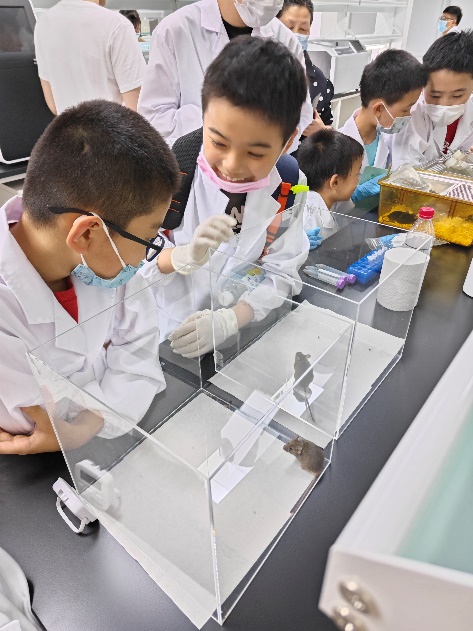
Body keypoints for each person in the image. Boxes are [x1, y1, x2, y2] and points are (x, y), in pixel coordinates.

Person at [0, 100, 183, 455]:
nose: (144, 256)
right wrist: (109, 390)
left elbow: (141, 345)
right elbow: (38, 421)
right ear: (86, 233)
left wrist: (91, 422)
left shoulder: (101, 257)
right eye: (147, 239)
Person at [142, 37, 310, 358]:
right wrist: (180, 257)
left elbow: (282, 271)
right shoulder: (170, 169)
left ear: (288, 142)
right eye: (218, 143)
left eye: (255, 153)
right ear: (204, 117)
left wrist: (230, 320)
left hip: (238, 341)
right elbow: (133, 259)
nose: (232, 165)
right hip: (165, 334)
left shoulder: (288, 184)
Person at [137, 0, 313, 150]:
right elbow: (154, 120)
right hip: (192, 169)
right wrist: (225, 126)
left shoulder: (286, 40)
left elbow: (299, 117)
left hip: (263, 171)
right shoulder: (175, 30)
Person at [338, 49, 427, 202]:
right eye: (405, 110)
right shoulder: (336, 148)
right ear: (379, 109)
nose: (409, 115)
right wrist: (351, 197)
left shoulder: (387, 139)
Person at [34, 0, 146, 115]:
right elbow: (138, 110)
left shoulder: (43, 23)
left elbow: (53, 105)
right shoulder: (117, 25)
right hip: (109, 125)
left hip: (67, 125)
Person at [391, 30, 473, 167]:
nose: (445, 104)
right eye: (435, 95)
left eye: (457, 95)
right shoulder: (412, 114)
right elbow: (405, 172)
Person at [277, 0, 334, 128]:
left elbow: (328, 124)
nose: (295, 34)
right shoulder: (254, 69)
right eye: (289, 27)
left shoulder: (319, 82)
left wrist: (321, 130)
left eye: (303, 29)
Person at [298, 129, 363, 237]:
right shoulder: (310, 221)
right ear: (335, 182)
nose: (358, 181)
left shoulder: (327, 200)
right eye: (357, 174)